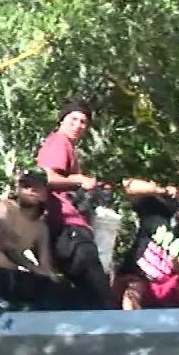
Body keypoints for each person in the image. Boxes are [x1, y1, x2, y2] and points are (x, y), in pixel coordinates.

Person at [35, 98, 116, 309]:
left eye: (83, 122)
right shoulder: (59, 142)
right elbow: (47, 178)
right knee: (99, 292)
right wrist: (80, 180)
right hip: (67, 228)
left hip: (68, 228)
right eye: (73, 119)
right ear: (62, 120)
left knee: (85, 295)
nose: (78, 125)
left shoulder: (67, 147)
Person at [0, 167, 81, 309]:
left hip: (12, 277)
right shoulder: (4, 208)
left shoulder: (41, 227)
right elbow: (7, 246)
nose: (31, 190)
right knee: (29, 285)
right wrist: (33, 269)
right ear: (18, 190)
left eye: (36, 187)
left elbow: (44, 266)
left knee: (64, 292)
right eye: (26, 186)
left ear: (45, 194)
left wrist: (54, 279)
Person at [113, 178, 179, 309]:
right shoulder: (160, 211)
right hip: (135, 278)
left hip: (165, 287)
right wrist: (163, 191)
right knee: (134, 289)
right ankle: (133, 325)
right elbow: (128, 185)